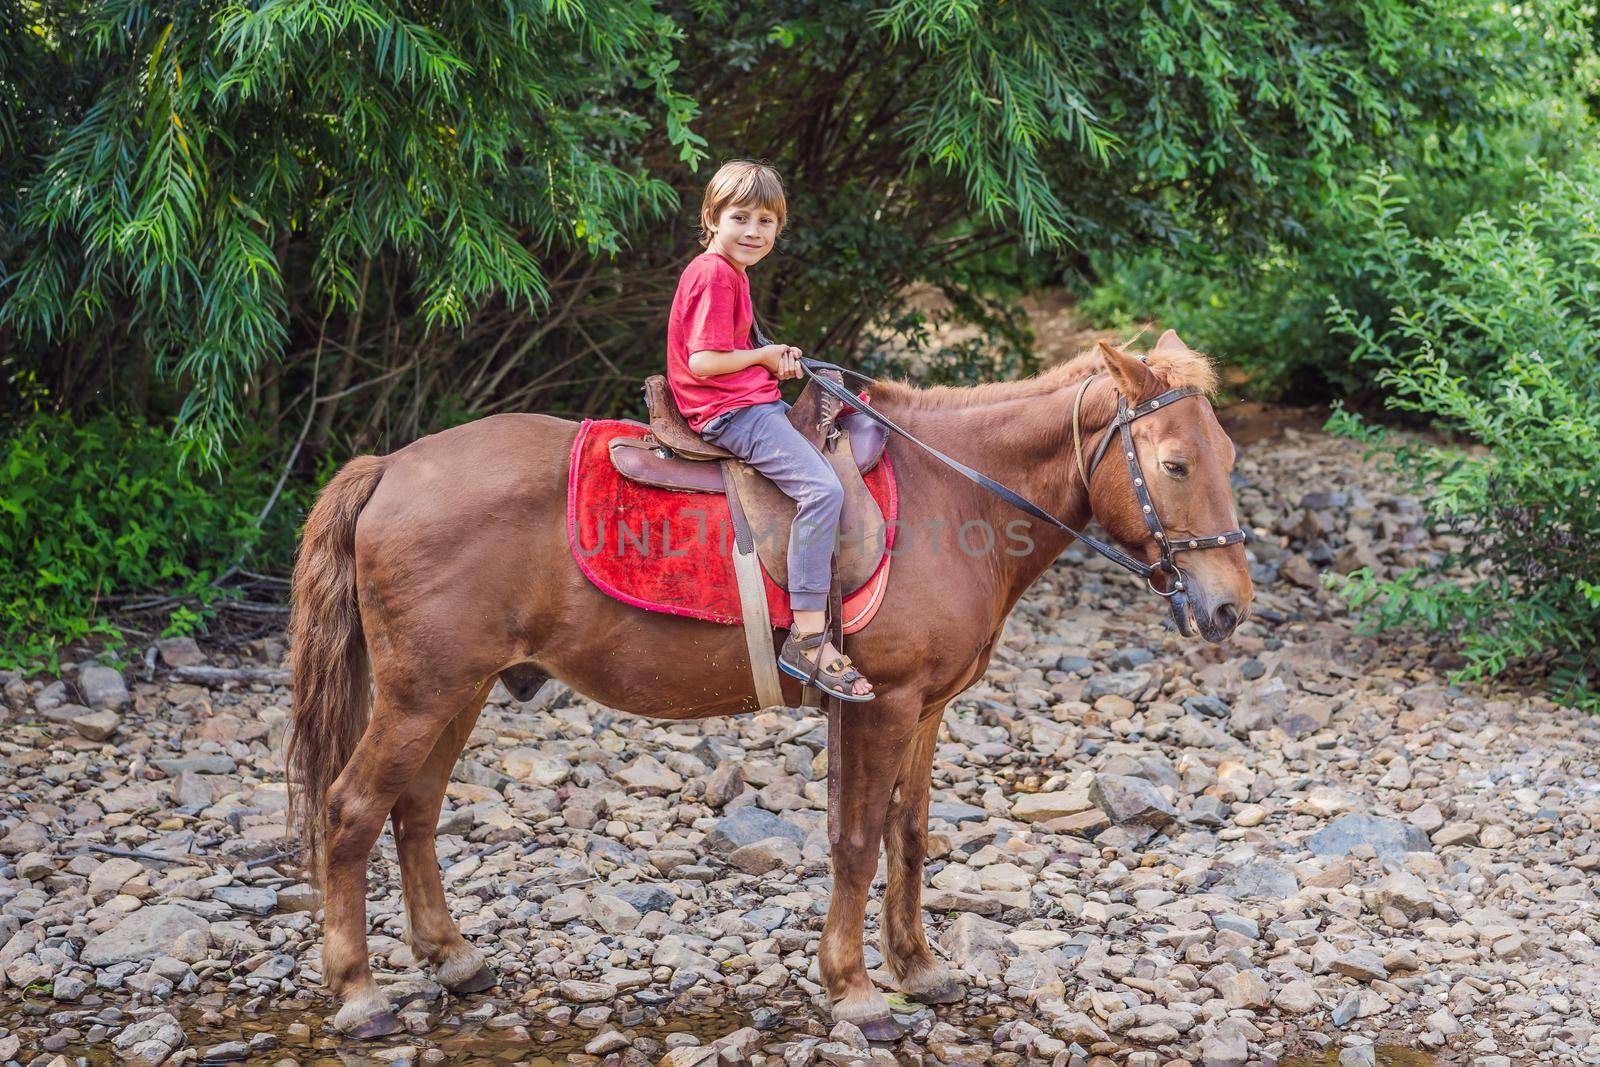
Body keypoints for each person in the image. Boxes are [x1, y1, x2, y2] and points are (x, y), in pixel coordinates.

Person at [664, 159, 874, 702]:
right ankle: (807, 635)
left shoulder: (731, 273)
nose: (753, 232)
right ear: (712, 217)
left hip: (745, 399)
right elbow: (706, 360)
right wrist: (762, 355)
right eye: (741, 218)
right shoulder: (713, 273)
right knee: (821, 488)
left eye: (766, 221)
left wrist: (772, 361)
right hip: (729, 412)